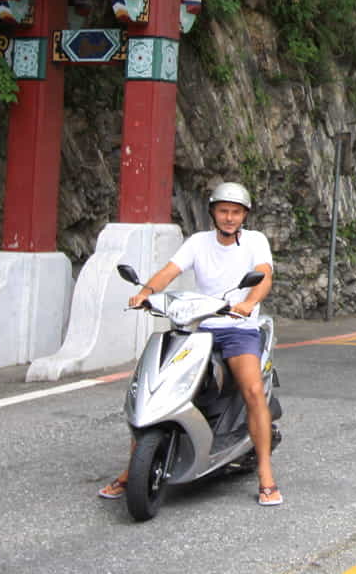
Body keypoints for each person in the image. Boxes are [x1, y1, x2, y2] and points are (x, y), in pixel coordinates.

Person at [98, 182, 283, 506]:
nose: (229, 217)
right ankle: (132, 471)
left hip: (237, 327)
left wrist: (248, 302)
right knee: (154, 386)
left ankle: (266, 475)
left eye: (236, 212)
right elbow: (169, 271)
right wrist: (146, 293)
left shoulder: (255, 241)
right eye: (224, 211)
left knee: (253, 390)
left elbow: (264, 275)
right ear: (213, 212)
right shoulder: (198, 242)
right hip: (197, 325)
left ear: (244, 215)